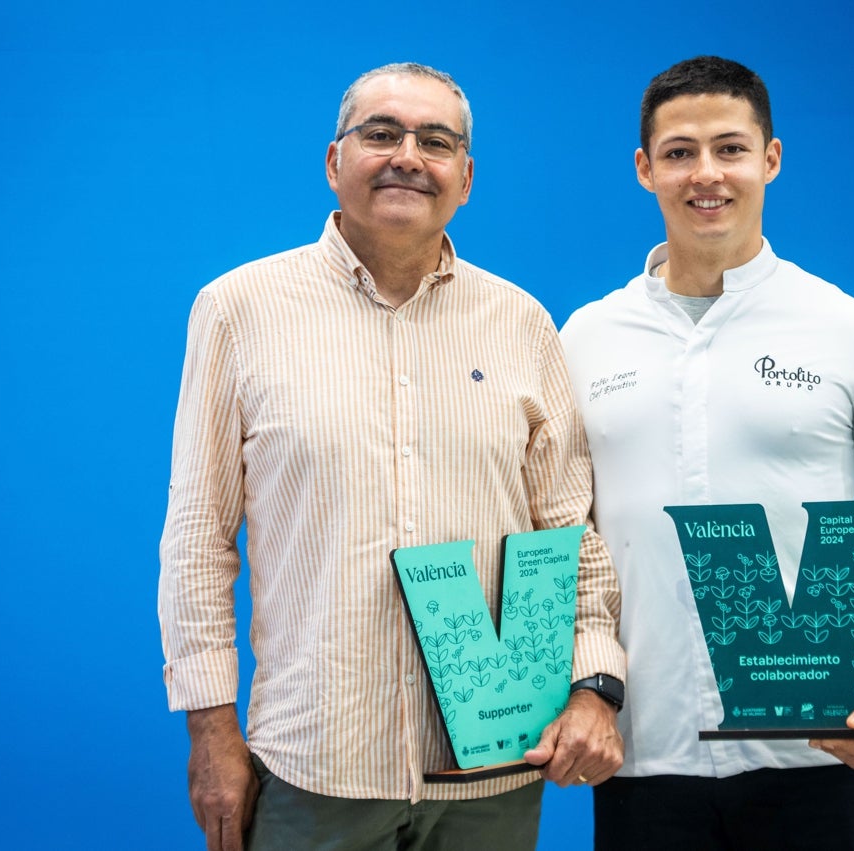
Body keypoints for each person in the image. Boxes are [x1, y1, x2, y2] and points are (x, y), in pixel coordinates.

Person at [158, 62, 626, 851]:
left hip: (494, 769)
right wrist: (211, 731)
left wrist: (596, 686)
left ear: (465, 178)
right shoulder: (238, 309)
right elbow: (199, 538)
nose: (408, 154)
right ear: (334, 161)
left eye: (435, 141)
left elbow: (570, 529)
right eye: (381, 133)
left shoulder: (521, 322)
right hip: (318, 765)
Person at [559, 56, 854, 850]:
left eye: (730, 148)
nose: (706, 174)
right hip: (645, 755)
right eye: (679, 152)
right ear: (645, 170)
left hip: (815, 747)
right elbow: (568, 536)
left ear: (770, 159)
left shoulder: (853, 332)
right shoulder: (584, 337)